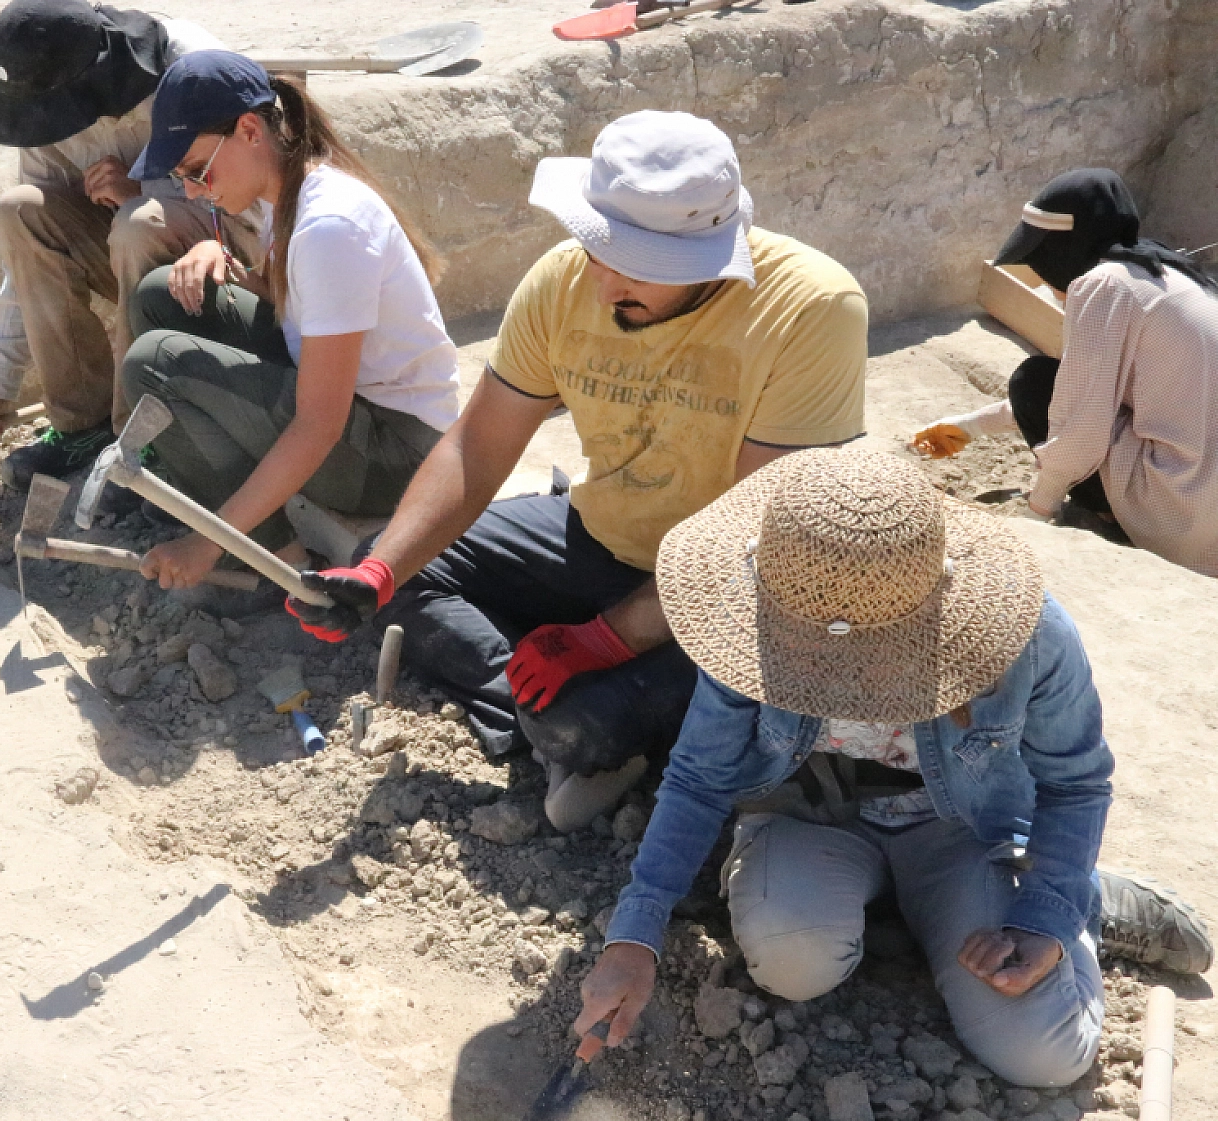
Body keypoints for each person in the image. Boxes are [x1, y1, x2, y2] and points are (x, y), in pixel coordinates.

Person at [285, 111, 869, 830]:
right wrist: (377, 576)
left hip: (731, 599)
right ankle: (554, 722)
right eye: (598, 250)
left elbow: (748, 539)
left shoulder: (811, 309)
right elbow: (478, 446)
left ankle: (579, 730)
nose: (601, 287)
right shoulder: (563, 282)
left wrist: (602, 640)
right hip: (598, 536)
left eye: (634, 268)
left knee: (581, 721)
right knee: (397, 566)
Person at [574, 448, 1212, 1090]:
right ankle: (900, 907)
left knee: (1045, 1058)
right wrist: (635, 934)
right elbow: (699, 778)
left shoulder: (1032, 637)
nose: (829, 670)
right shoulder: (756, 609)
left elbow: (1074, 784)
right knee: (794, 962)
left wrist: (1045, 916)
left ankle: (1085, 895)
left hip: (964, 832)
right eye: (807, 646)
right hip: (810, 817)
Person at [112, 51, 460, 589]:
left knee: (153, 366)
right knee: (161, 297)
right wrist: (222, 261)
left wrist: (207, 542)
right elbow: (298, 305)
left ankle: (269, 556)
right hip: (362, 415)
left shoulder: (330, 228)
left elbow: (318, 424)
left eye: (196, 172)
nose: (190, 191)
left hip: (398, 455)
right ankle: (221, 498)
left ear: (249, 130)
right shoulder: (294, 191)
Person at [0, 0, 262, 490]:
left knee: (139, 221)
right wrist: (0, 387)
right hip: (127, 254)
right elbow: (26, 257)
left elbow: (254, 205)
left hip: (225, 261)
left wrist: (145, 190)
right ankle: (81, 427)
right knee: (19, 212)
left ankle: (141, 438)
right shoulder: (42, 102)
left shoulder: (190, 70)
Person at [913, 169, 1218, 577]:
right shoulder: (1162, 270)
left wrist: (1039, 510)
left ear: (1064, 248)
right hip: (1207, 498)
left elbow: (1081, 423)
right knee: (1046, 386)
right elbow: (1086, 392)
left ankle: (1107, 518)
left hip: (1180, 512)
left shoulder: (1104, 285)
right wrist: (970, 426)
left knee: (1033, 381)